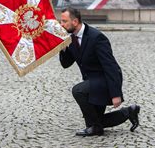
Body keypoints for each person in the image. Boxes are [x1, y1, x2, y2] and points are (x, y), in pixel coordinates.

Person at [59, 7, 140, 137]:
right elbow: (66, 64)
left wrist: (116, 94)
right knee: (97, 120)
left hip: (103, 83)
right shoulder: (71, 38)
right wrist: (62, 48)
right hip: (92, 83)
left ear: (74, 22)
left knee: (78, 90)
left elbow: (111, 67)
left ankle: (95, 129)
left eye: (64, 21)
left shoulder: (96, 38)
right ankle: (129, 112)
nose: (61, 25)